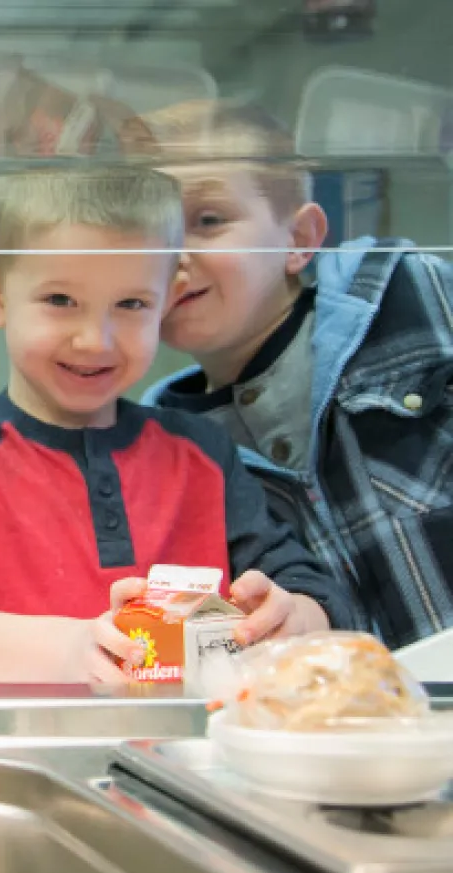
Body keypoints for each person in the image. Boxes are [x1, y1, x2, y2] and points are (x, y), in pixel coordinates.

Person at [0, 167, 344, 683]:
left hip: (189, 752)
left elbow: (305, 584)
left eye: (131, 304)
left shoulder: (202, 449)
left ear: (169, 298)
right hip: (18, 750)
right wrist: (66, 651)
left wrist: (292, 617)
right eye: (60, 301)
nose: (96, 340)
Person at [140, 101, 453, 650]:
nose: (174, 257)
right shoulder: (166, 447)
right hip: (344, 726)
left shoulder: (413, 296)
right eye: (149, 234)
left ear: (300, 238)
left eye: (208, 220)